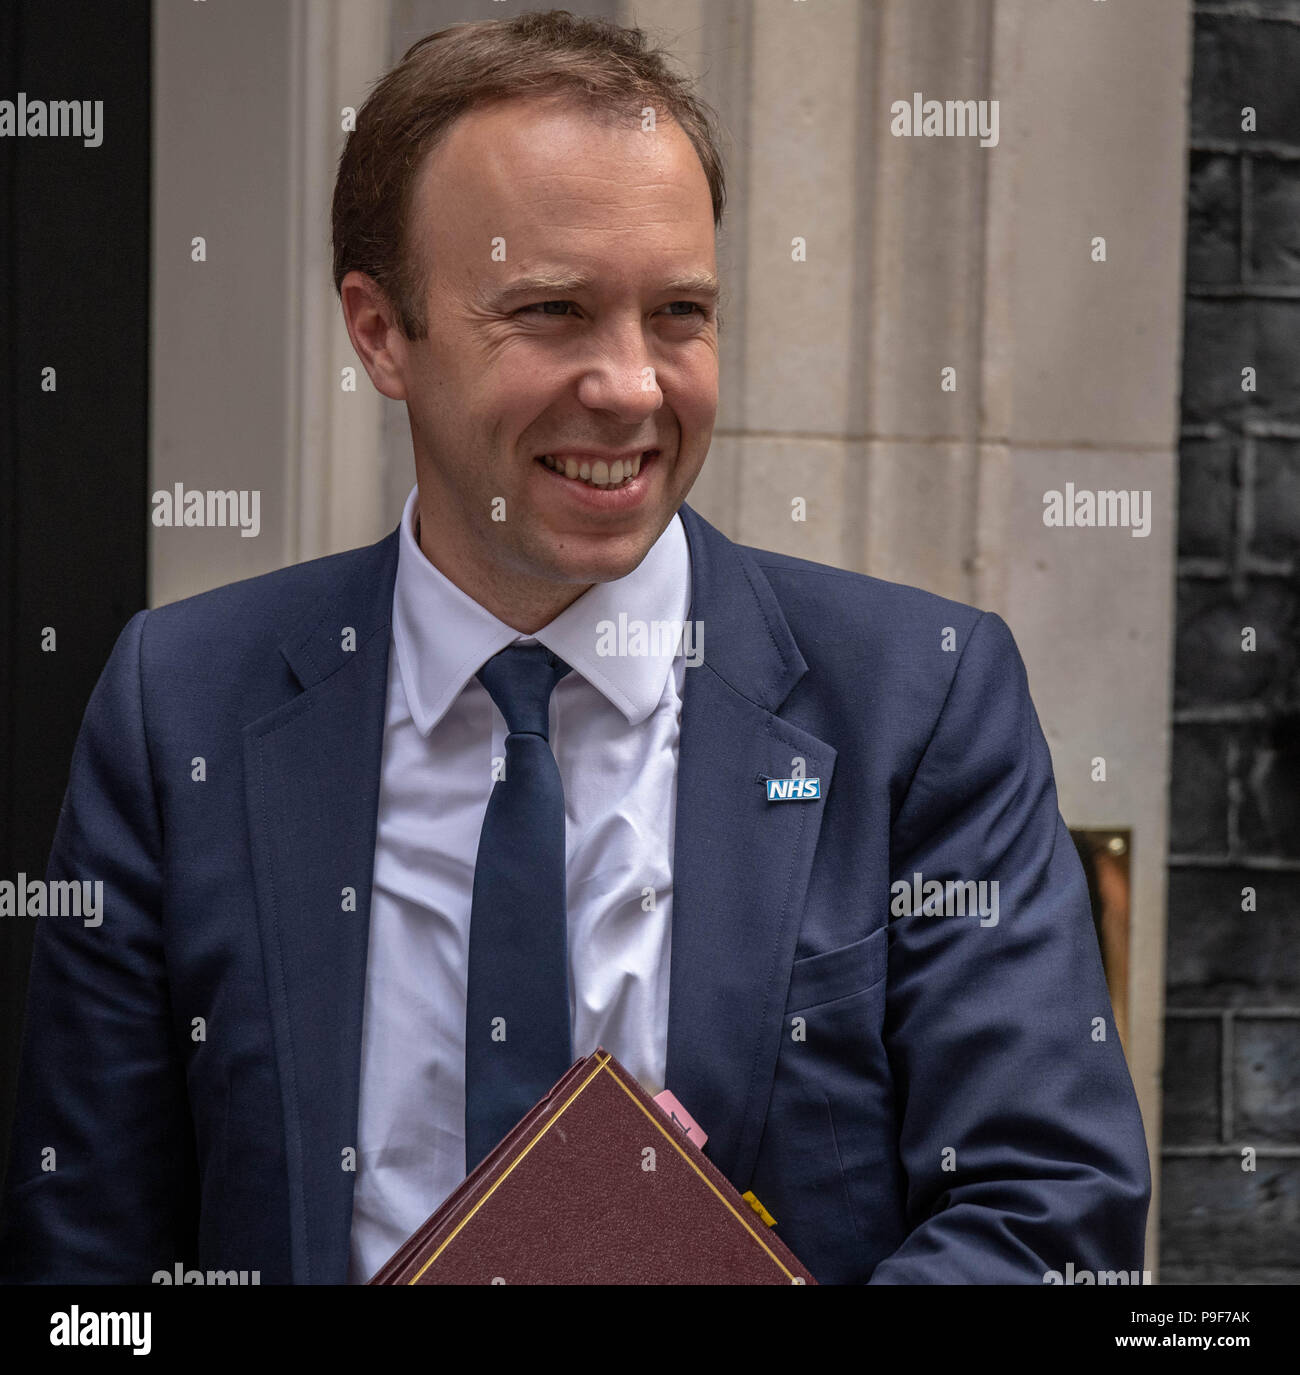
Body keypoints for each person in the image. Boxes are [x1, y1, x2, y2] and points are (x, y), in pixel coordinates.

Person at [0, 10, 1149, 1285]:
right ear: (380, 332)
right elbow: (85, 1257)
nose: (632, 386)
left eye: (678, 313)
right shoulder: (183, 707)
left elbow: (1050, 1211)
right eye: (551, 309)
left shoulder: (916, 699)